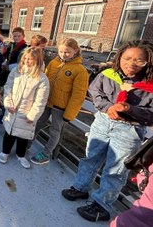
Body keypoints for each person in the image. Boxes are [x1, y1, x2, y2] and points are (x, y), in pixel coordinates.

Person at [61, 40, 153, 222]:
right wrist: (108, 107)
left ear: (148, 62)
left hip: (129, 129)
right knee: (90, 157)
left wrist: (130, 110)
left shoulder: (149, 86)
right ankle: (81, 187)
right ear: (119, 57)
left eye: (139, 61)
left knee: (116, 169)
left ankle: (101, 205)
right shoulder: (108, 74)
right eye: (127, 58)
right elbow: (95, 91)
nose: (131, 64)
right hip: (103, 121)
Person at [31, 38, 89, 165]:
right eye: (61, 51)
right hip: (47, 102)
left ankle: (46, 153)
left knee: (55, 131)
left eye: (67, 52)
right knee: (38, 123)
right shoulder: (54, 63)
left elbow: (78, 95)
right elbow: (44, 80)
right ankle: (28, 142)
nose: (63, 54)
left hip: (60, 107)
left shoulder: (80, 71)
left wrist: (70, 114)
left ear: (75, 51)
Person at [0, 48, 49, 168]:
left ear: (37, 60)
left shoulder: (42, 78)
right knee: (9, 133)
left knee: (23, 136)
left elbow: (40, 100)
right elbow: (8, 87)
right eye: (25, 58)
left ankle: (20, 155)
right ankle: (5, 152)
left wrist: (33, 115)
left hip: (27, 113)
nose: (27, 61)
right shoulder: (16, 71)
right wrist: (8, 103)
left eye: (30, 59)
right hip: (13, 110)